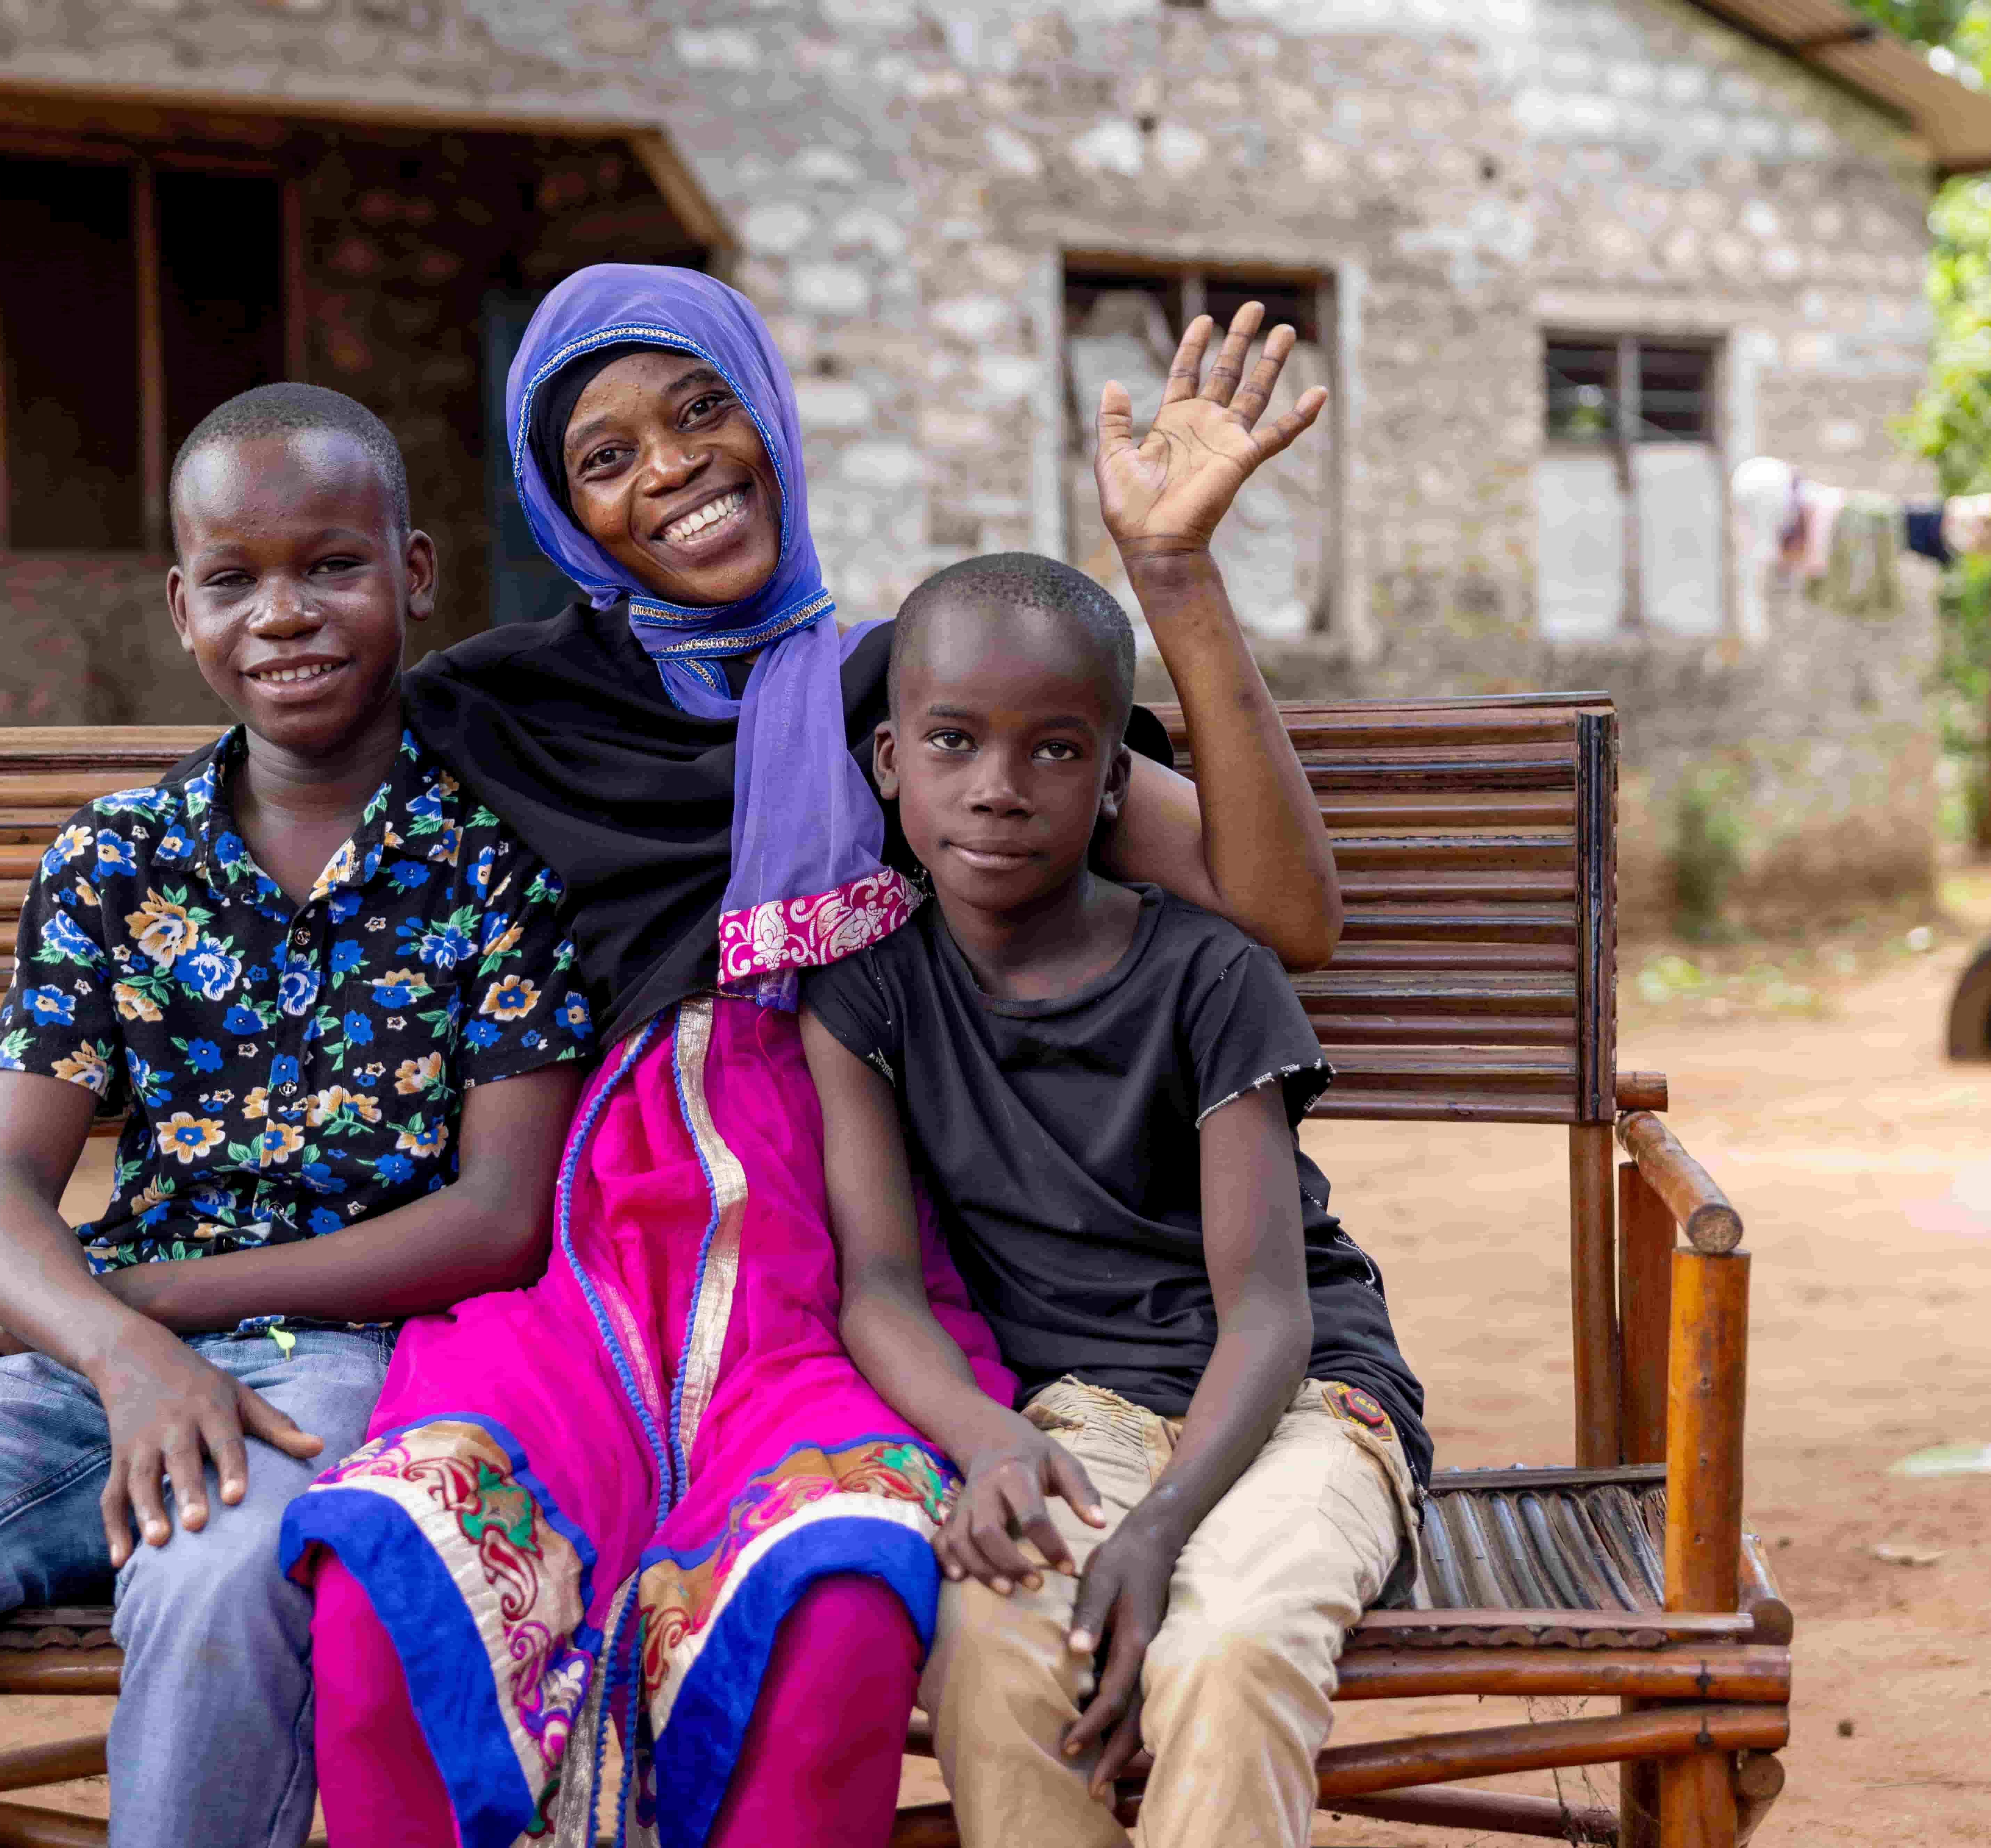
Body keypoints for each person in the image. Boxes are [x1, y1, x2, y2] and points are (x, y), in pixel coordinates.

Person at [274, 262, 1348, 1848]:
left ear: (768, 413)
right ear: (559, 512)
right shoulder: (492, 710)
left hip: (835, 1260)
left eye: (702, 410)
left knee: (826, 1605)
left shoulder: (912, 700)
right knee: (411, 1575)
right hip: (577, 1254)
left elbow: (1279, 914)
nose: (674, 468)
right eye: (606, 455)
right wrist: (34, 1225)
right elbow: (240, 823)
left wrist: (1175, 579)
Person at [0, 385, 591, 1848]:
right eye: (235, 580)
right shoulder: (116, 860)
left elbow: (497, 1223)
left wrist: (134, 1304)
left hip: (349, 1363)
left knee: (218, 1584)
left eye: (331, 565)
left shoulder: (495, 863)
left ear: (416, 574)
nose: (286, 615)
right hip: (88, 1362)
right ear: (183, 607)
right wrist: (120, 1349)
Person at [799, 551, 1430, 1848]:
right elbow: (878, 1286)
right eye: (953, 742)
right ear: (886, 762)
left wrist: (1158, 1528)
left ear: (1112, 784)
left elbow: (1268, 1317)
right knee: (996, 1641)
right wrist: (984, 1439)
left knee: (1235, 1644)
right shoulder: (866, 994)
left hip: (1301, 1408)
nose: (996, 790)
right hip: (1068, 1417)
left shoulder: (1212, 976)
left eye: (1052, 753)